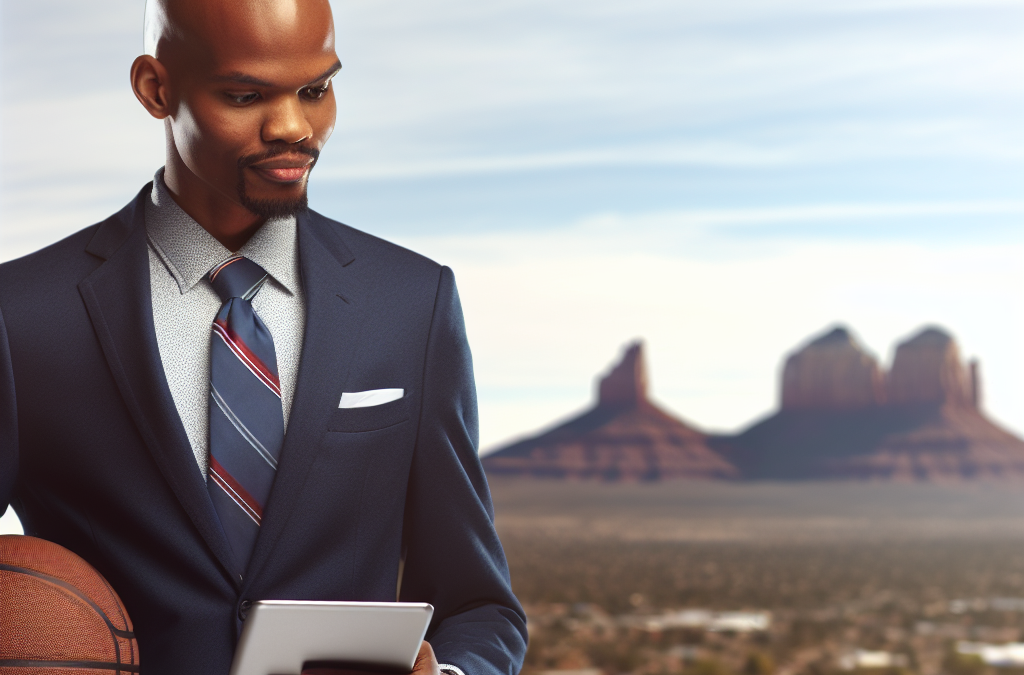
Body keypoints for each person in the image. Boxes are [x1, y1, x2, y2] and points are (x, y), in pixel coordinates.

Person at [0, 1, 527, 674]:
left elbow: (479, 605)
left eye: (316, 90)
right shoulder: (21, 315)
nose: (293, 127)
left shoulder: (411, 304)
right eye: (245, 95)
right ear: (155, 89)